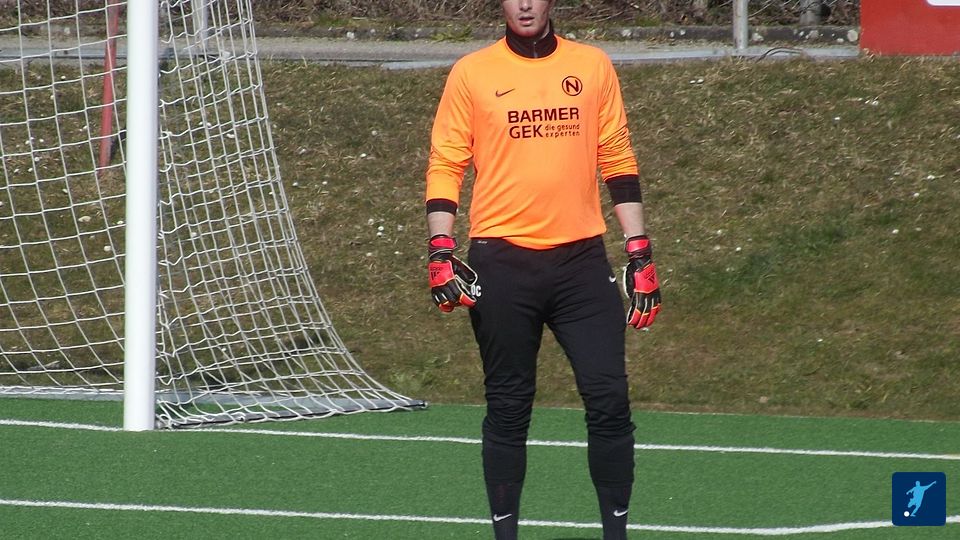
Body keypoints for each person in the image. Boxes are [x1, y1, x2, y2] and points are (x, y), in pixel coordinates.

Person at [424, 1, 661, 538]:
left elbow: (617, 157)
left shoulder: (592, 65)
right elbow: (446, 162)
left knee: (609, 398)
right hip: (502, 262)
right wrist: (440, 249)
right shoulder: (473, 72)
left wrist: (640, 250)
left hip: (581, 263)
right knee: (509, 406)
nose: (525, 4)